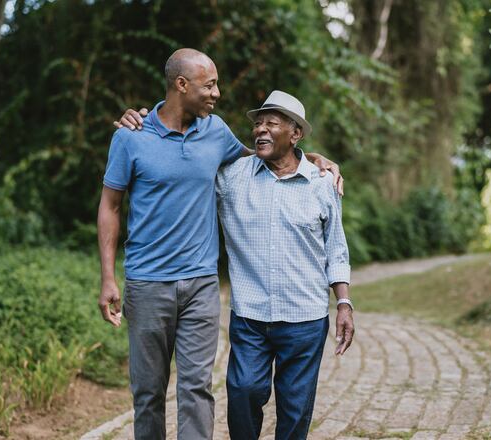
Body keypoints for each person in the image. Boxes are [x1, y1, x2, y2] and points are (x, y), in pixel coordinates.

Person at [99, 49, 340, 440]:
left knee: (196, 389)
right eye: (209, 84)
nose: (217, 93)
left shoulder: (215, 132)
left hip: (200, 285)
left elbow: (263, 159)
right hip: (146, 284)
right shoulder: (131, 136)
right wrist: (109, 277)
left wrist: (310, 157)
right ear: (182, 84)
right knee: (148, 393)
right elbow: (110, 206)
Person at [216, 90, 354, 440]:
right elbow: (185, 163)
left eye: (272, 124)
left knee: (295, 409)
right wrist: (146, 121)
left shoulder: (322, 184)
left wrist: (343, 302)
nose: (260, 130)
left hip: (305, 319)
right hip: (250, 316)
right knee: (243, 392)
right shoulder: (233, 177)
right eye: (258, 123)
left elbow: (336, 249)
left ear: (295, 134)